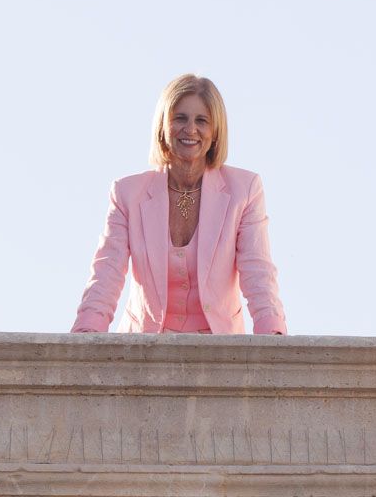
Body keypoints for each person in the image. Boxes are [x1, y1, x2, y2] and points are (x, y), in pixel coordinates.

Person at [70, 74, 287, 334]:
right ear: (163, 125)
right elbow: (106, 273)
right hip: (144, 349)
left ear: (215, 131)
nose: (191, 129)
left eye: (202, 121)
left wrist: (272, 333)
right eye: (180, 118)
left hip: (219, 349)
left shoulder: (245, 189)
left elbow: (258, 271)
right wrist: (86, 334)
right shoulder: (127, 193)